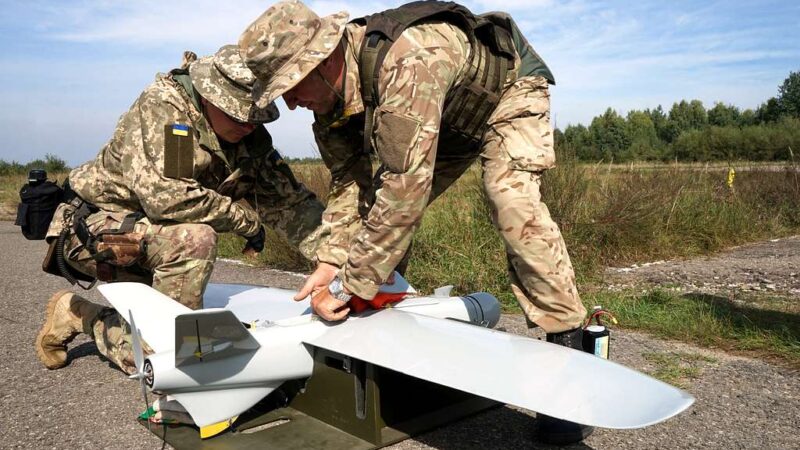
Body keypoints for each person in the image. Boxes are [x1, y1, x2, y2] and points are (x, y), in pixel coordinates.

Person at [239, 1, 591, 443]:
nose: (290, 102)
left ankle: (570, 358)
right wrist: (331, 261)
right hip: (447, 118)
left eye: (291, 85)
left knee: (512, 202)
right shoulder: (328, 107)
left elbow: (405, 191)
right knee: (373, 216)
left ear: (324, 59)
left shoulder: (407, 60)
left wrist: (352, 284)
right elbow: (351, 184)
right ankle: (383, 334)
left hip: (506, 94)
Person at [35, 45, 324, 376]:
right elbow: (169, 198)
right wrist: (245, 221)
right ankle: (78, 313)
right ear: (209, 97)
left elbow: (291, 202)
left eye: (256, 116)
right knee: (163, 351)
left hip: (149, 240)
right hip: (91, 232)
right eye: (240, 115)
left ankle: (159, 334)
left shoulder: (246, 136)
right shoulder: (167, 110)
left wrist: (341, 261)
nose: (249, 125)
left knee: (183, 315)